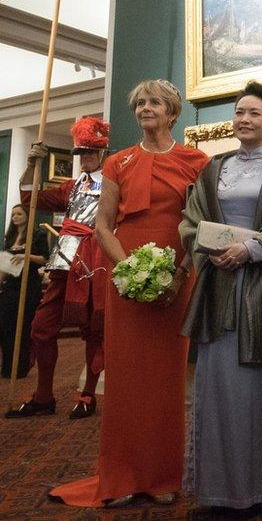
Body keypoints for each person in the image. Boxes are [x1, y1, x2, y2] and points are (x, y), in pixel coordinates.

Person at [48, 79, 209, 508]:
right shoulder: (118, 162)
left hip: (178, 275)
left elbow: (202, 227)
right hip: (126, 276)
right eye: (139, 103)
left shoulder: (197, 160)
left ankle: (161, 476)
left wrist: (178, 274)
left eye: (154, 102)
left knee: (167, 379)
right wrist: (131, 271)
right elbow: (102, 226)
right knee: (126, 379)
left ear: (172, 112)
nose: (144, 109)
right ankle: (120, 475)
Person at [180, 81, 262, 513]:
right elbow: (189, 221)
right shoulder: (213, 169)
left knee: (254, 390)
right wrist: (212, 251)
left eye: (254, 113)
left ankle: (253, 492)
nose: (244, 119)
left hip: (259, 293)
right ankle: (213, 491)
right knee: (213, 388)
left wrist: (248, 250)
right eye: (239, 112)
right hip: (217, 289)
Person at [5, 117, 109, 418]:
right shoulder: (71, 187)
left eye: (90, 152)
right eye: (81, 153)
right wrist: (31, 164)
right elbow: (29, 198)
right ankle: (44, 396)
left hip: (94, 262)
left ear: (102, 153)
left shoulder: (114, 184)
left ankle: (88, 395)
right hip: (64, 261)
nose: (85, 158)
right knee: (40, 329)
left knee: (92, 331)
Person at [0, 204, 48, 379]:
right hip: (11, 283)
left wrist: (26, 255)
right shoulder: (10, 236)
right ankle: (7, 367)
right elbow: (6, 261)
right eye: (13, 214)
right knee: (6, 325)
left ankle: (20, 367)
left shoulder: (38, 235)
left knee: (24, 325)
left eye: (19, 213)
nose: (15, 217)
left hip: (28, 284)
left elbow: (44, 259)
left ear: (28, 215)